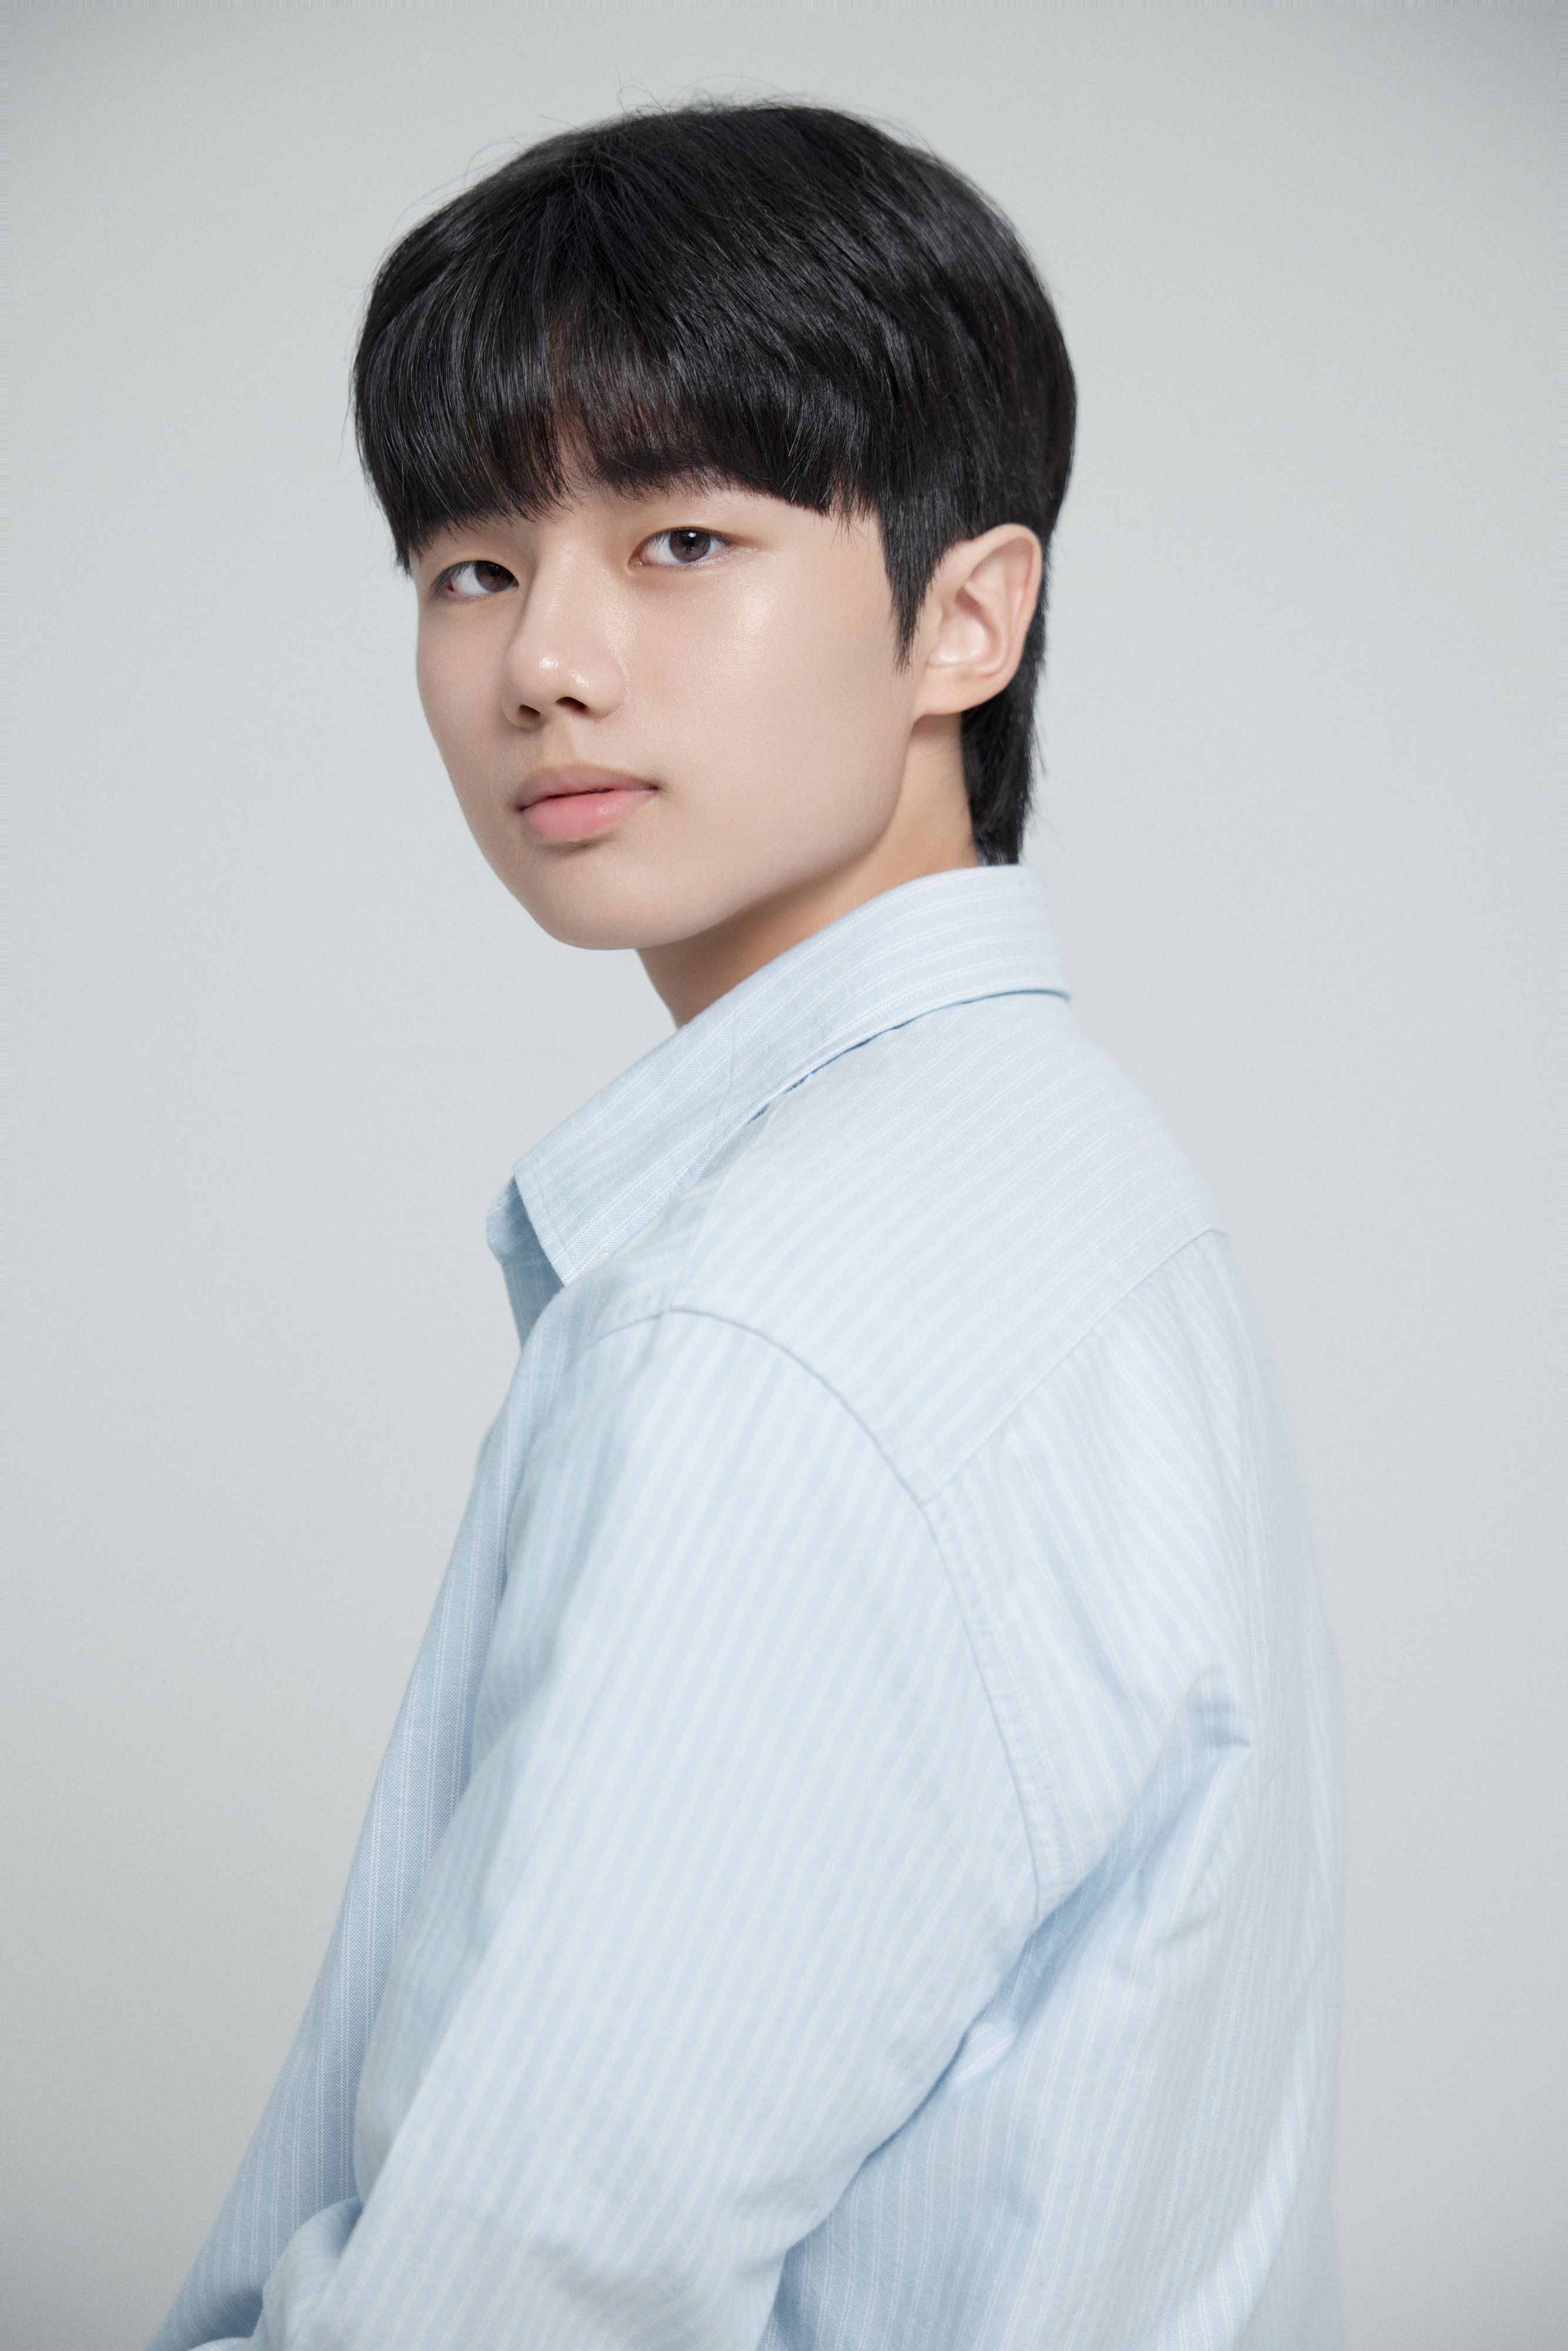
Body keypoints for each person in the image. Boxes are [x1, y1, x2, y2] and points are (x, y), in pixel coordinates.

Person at [151, 99, 1343, 2351]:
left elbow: (513, 2301)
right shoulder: (1069, 1169)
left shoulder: (778, 1322)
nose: (545, 662)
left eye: (682, 539)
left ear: (965, 616)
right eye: (471, 566)